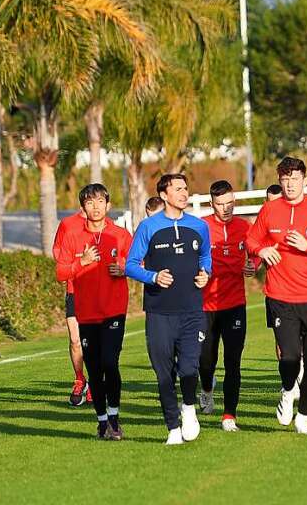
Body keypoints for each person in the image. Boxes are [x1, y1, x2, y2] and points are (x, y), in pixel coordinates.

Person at [245, 156, 307, 435]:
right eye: (284, 180)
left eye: (294, 179)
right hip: (281, 296)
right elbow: (251, 239)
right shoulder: (270, 210)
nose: (289, 185)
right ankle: (288, 390)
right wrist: (260, 250)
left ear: (303, 180)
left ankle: (304, 417)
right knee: (289, 358)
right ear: (280, 180)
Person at [125, 173, 212, 445]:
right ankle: (172, 427)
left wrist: (205, 272)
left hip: (192, 311)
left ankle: (188, 407)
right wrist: (153, 277)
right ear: (164, 195)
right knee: (164, 372)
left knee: (189, 367)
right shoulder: (148, 227)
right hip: (159, 313)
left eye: (186, 188)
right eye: (178, 189)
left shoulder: (199, 226)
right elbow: (131, 264)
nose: (184, 193)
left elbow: (206, 256)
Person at [54, 184, 131, 440]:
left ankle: (115, 418)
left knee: (111, 362)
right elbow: (61, 273)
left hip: (114, 311)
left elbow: (137, 263)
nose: (95, 207)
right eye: (90, 202)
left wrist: (124, 268)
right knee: (95, 368)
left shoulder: (120, 235)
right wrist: (82, 262)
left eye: (100, 201)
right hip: (85, 313)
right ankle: (101, 422)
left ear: (108, 205)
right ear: (83, 207)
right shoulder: (73, 235)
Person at [199, 180, 255, 431]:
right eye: (221, 204)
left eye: (230, 203)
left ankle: (229, 415)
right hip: (205, 306)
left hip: (234, 304)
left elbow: (255, 253)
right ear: (212, 204)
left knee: (233, 361)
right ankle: (207, 389)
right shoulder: (201, 227)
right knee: (206, 361)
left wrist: (253, 265)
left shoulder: (245, 227)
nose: (226, 208)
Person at [53, 209, 90, 407]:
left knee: (94, 342)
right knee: (75, 340)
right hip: (74, 290)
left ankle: (94, 384)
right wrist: (76, 263)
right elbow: (58, 252)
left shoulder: (105, 224)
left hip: (98, 292)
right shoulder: (68, 224)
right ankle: (79, 380)